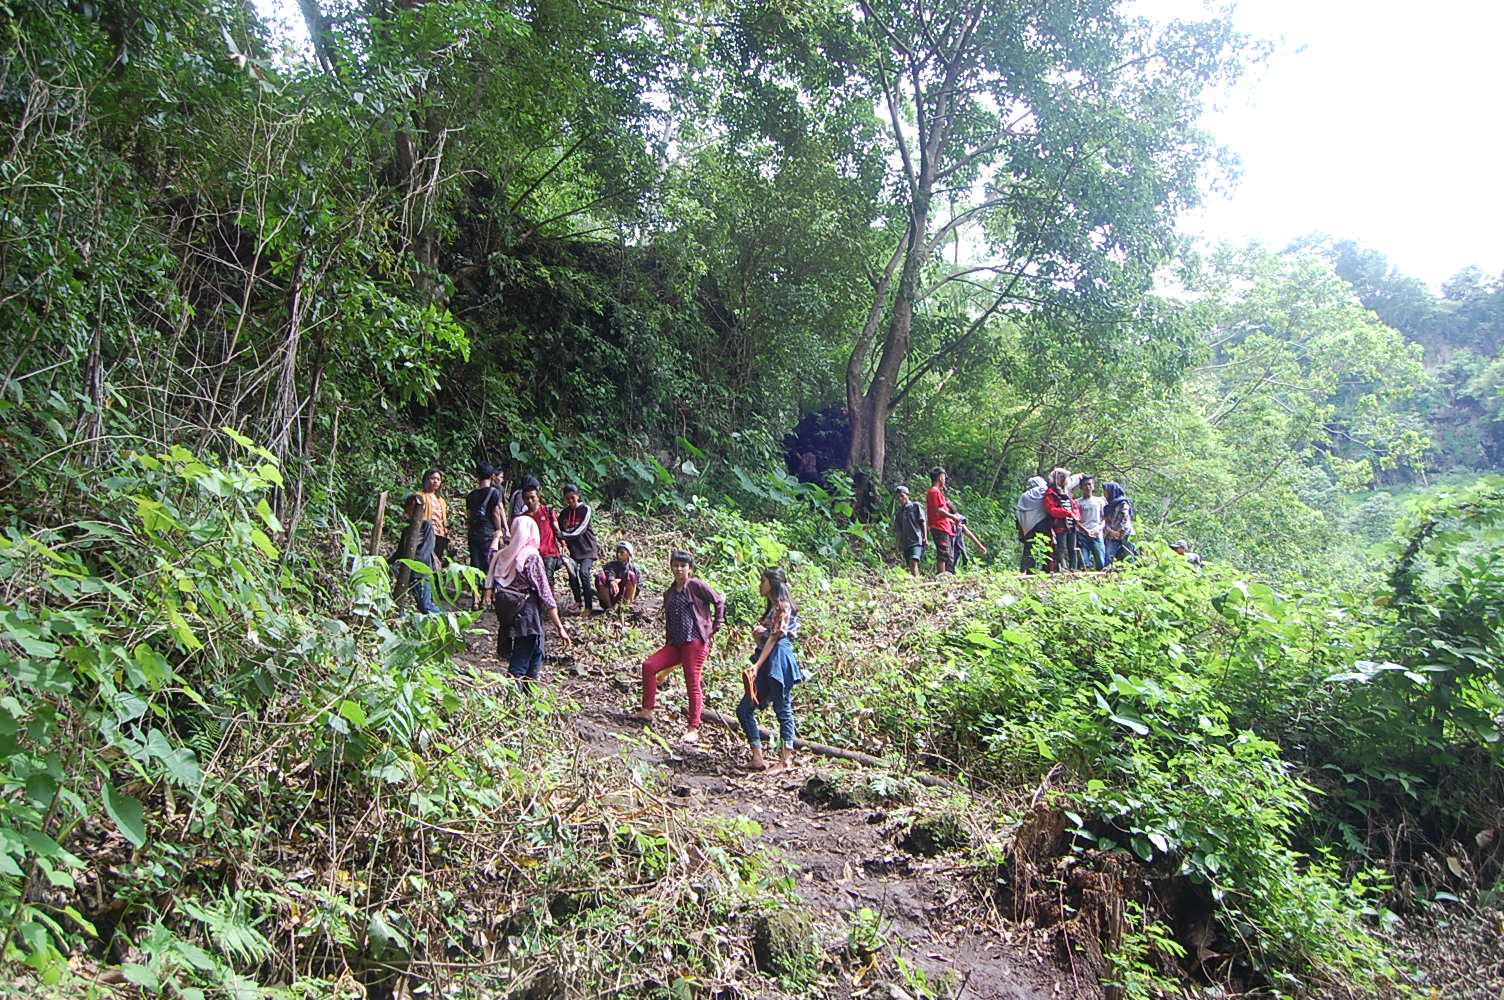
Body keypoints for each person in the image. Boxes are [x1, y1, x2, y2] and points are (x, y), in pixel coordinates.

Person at [632, 551, 725, 743]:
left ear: (689, 568)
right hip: (676, 643)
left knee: (692, 682)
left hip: (695, 641)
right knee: (649, 666)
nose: (679, 569)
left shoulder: (695, 585)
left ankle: (693, 727)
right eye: (676, 565)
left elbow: (718, 600)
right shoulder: (670, 592)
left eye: (683, 565)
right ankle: (647, 710)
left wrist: (715, 625)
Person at [486, 515, 571, 682]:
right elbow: (545, 593)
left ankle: (528, 697)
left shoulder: (503, 556)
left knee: (535, 652)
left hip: (509, 614)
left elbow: (491, 554)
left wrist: (496, 537)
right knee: (522, 659)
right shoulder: (531, 557)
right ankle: (516, 700)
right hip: (528, 614)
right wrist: (559, 627)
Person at [736, 567, 802, 773]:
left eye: (763, 581)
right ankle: (757, 756)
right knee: (744, 709)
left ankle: (786, 760)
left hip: (778, 662)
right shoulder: (773, 609)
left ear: (772, 583)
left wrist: (757, 664)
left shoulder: (783, 607)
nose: (760, 584)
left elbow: (775, 638)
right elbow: (766, 638)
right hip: (767, 662)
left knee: (783, 709)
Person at [465, 464, 505, 607]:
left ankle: (474, 599)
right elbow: (495, 513)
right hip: (488, 533)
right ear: (492, 476)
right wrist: (499, 530)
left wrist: (470, 531)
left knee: (474, 565)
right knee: (489, 565)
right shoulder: (494, 492)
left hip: (474, 534)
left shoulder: (471, 495)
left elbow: (469, 516)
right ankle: (486, 599)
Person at [557, 484, 600, 615]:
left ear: (578, 496)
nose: (570, 501)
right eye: (567, 499)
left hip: (587, 549)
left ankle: (589, 606)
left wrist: (563, 536)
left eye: (573, 498)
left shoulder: (586, 509)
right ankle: (578, 601)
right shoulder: (564, 513)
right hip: (573, 551)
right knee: (572, 572)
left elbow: (581, 529)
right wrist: (563, 543)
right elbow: (558, 530)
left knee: (584, 573)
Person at [400, 489, 440, 614]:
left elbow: (426, 550)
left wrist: (412, 563)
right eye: (411, 510)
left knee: (425, 606)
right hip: (407, 572)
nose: (413, 513)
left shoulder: (426, 526)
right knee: (400, 602)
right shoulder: (407, 530)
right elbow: (400, 550)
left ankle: (444, 622)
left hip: (420, 573)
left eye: (416, 509)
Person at [523, 485, 562, 595]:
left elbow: (556, 529)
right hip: (533, 554)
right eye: (526, 498)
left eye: (532, 497)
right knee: (533, 579)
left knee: (548, 578)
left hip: (549, 552)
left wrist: (564, 544)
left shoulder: (547, 511)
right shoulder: (524, 517)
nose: (530, 501)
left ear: (538, 497)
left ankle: (550, 605)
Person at [1043, 467, 1081, 573]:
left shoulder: (1067, 492)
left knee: (1073, 548)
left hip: (1072, 526)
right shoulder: (1050, 493)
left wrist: (1076, 515)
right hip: (1059, 526)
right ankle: (1063, 570)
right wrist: (1067, 513)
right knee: (1062, 549)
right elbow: (1051, 510)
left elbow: (1074, 506)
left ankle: (1074, 569)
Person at [926, 467, 961, 574]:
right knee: (943, 554)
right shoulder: (934, 492)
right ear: (940, 478)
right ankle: (941, 577)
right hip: (939, 527)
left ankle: (946, 575)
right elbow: (939, 510)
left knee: (948, 555)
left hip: (944, 527)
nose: (945, 480)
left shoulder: (937, 492)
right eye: (944, 477)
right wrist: (953, 517)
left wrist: (951, 520)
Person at [1015, 476, 1049, 573]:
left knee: (1029, 548)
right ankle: (1046, 570)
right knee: (1046, 548)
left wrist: (1021, 529)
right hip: (1043, 524)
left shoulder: (1024, 496)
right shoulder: (1044, 491)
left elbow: (1018, 513)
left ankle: (1026, 571)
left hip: (1028, 527)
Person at [594, 541, 641, 612]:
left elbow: (638, 587)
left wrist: (621, 581)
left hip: (625, 597)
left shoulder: (635, 570)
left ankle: (624, 607)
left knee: (631, 575)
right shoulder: (610, 565)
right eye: (617, 552)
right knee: (600, 576)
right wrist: (612, 581)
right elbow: (609, 573)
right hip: (611, 596)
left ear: (629, 554)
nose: (618, 554)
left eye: (622, 552)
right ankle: (610, 608)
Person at [893, 485, 927, 576]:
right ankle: (917, 582)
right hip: (906, 543)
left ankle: (916, 583)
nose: (900, 499)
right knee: (910, 565)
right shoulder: (899, 513)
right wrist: (897, 546)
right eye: (898, 497)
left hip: (916, 540)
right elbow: (898, 531)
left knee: (913, 561)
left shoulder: (915, 506)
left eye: (902, 496)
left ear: (907, 495)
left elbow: (923, 522)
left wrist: (925, 538)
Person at [1102, 481, 1138, 566]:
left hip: (1126, 534)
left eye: (1106, 491)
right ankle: (1107, 574)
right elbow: (1105, 521)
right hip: (1112, 535)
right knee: (1108, 555)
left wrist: (1120, 531)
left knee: (1129, 556)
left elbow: (1125, 519)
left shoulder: (1123, 504)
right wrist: (1111, 531)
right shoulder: (1107, 507)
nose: (1104, 493)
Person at [1076, 476, 1107, 571]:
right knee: (1084, 562)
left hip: (1097, 533)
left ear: (1093, 486)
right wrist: (1085, 530)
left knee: (1101, 561)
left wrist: (1099, 529)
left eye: (1089, 484)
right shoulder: (1077, 502)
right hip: (1082, 534)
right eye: (1085, 485)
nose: (1087, 487)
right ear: (1081, 487)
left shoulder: (1100, 501)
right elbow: (1075, 520)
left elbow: (1104, 518)